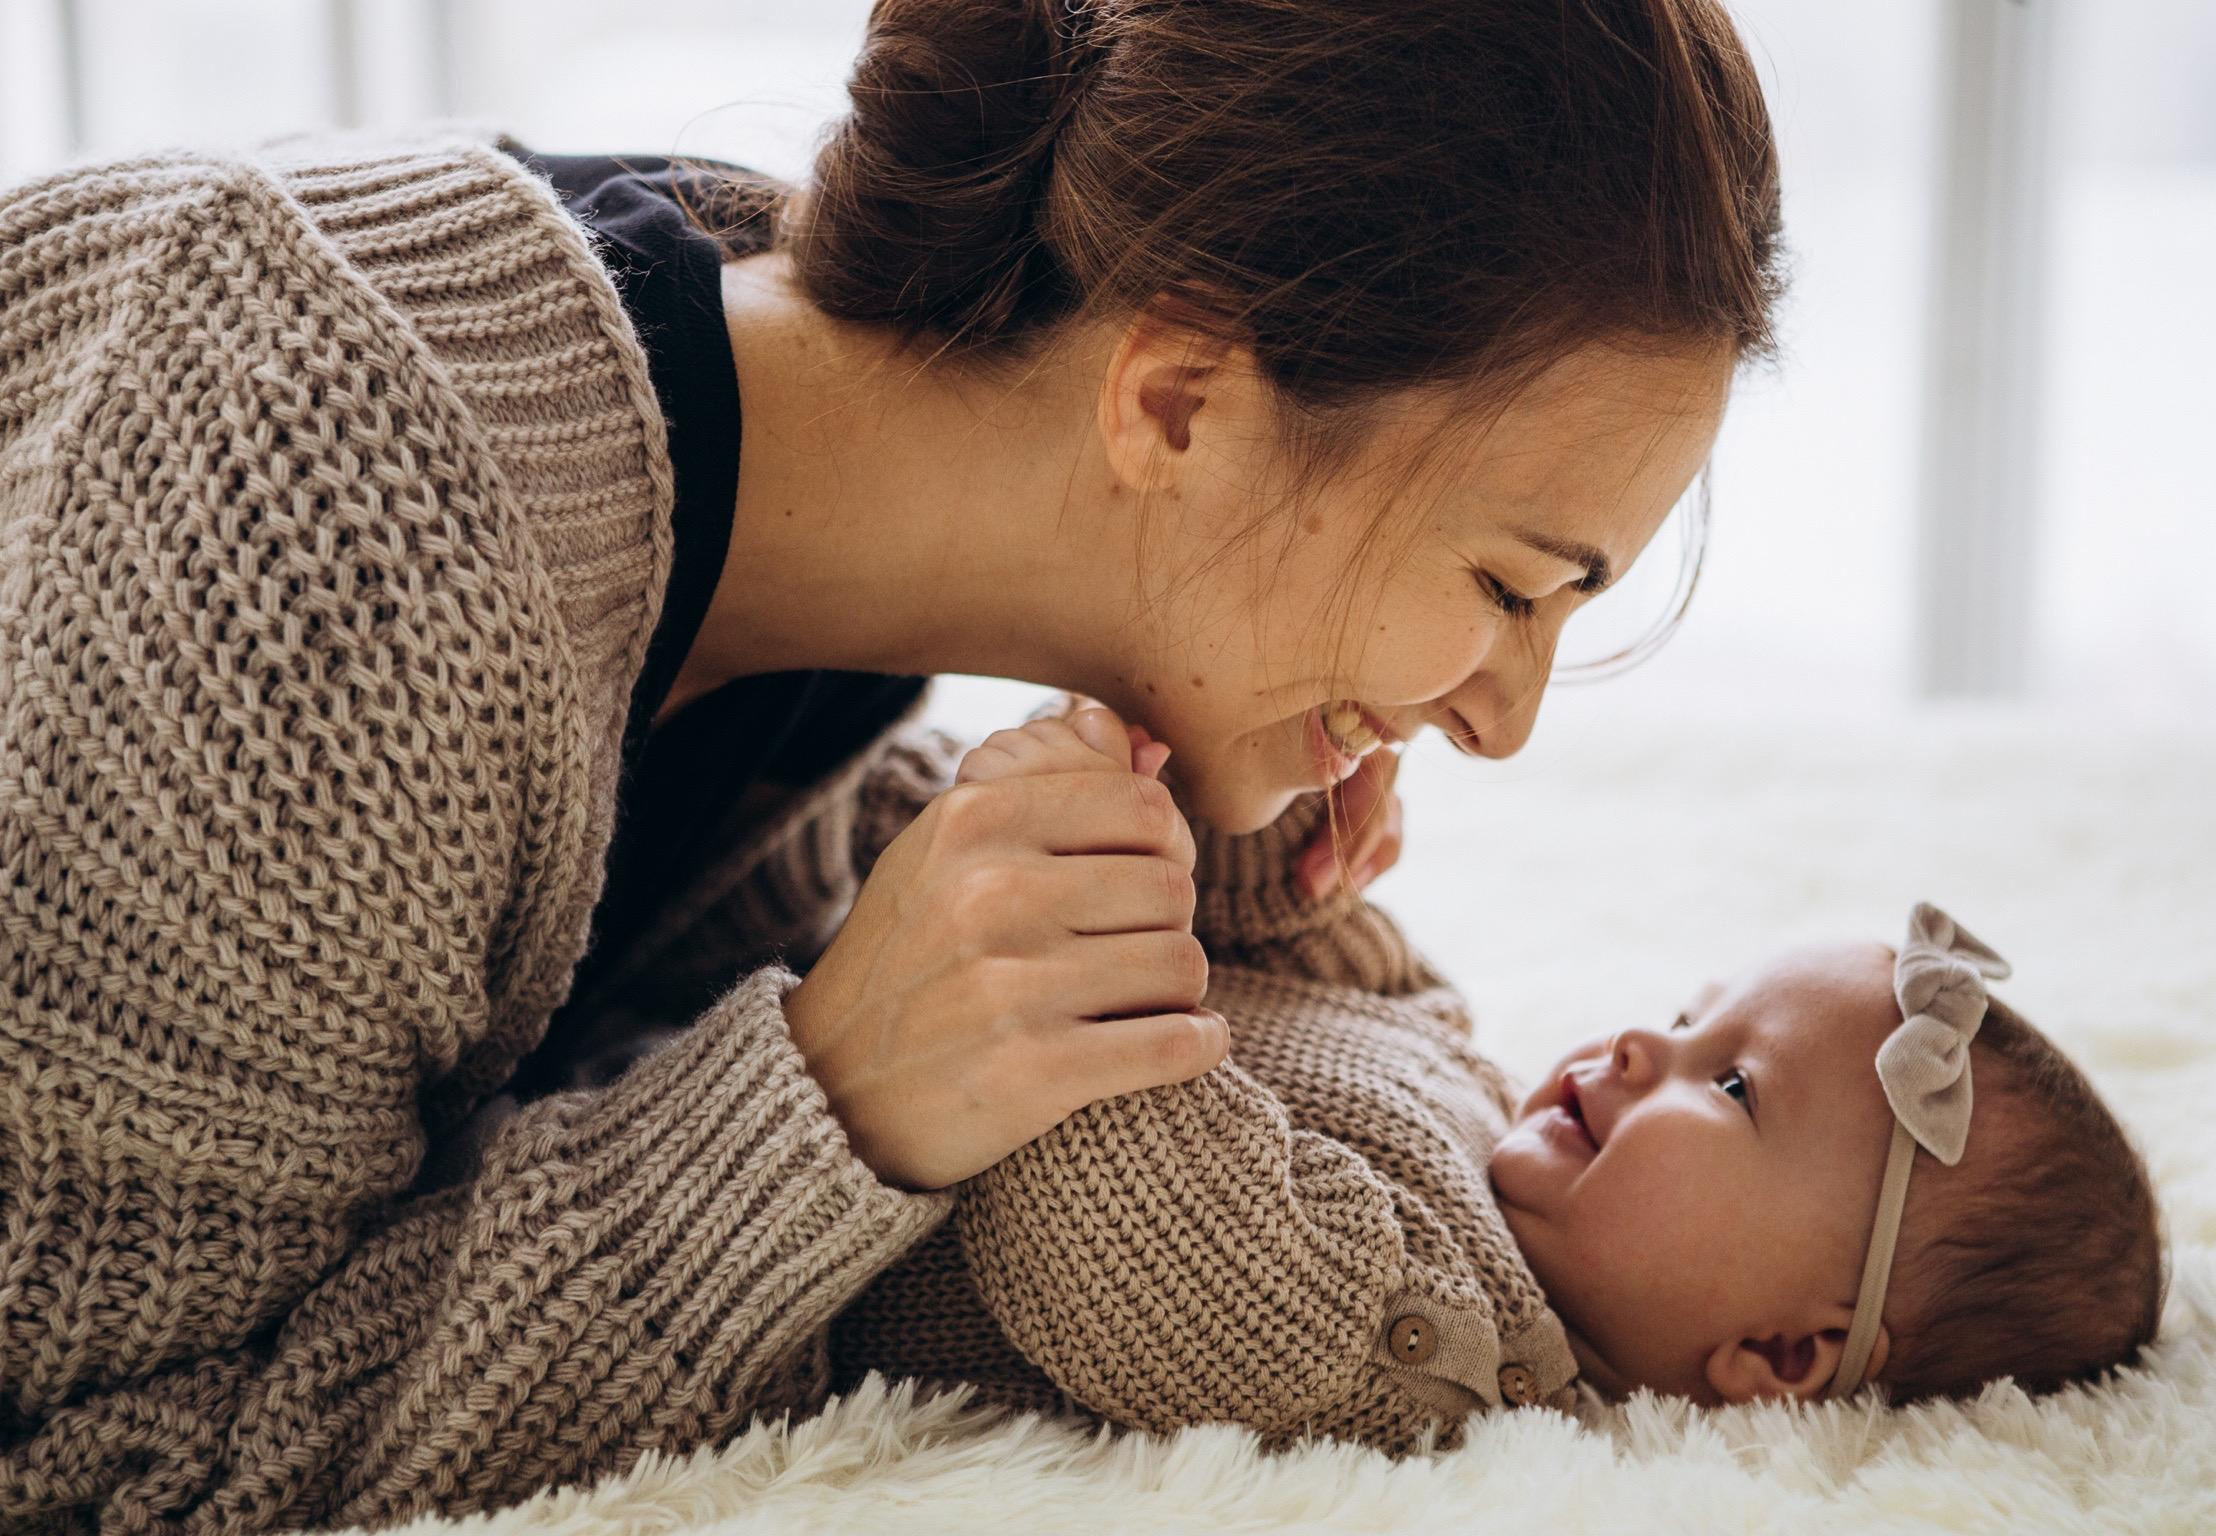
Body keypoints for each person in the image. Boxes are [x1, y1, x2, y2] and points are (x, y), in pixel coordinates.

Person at [0, 0, 1782, 1528]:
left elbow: (523, 994)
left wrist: (1157, 833)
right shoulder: (318, 532)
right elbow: (100, 1472)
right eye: (1506, 586)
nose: (1502, 717)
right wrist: (823, 1104)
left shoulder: (800, 477)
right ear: (1177, 403)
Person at [825, 709, 2167, 1452]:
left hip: (779, 1134)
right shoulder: (1468, 1080)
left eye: (1733, 1086)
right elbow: (1297, 949)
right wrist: (1273, 815)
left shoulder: (1426, 1353)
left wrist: (1076, 881)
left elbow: (1117, 1203)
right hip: (835, 918)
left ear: (1781, 1355)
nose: (1644, 1045)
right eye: (1696, 1011)